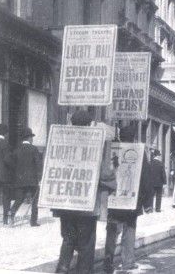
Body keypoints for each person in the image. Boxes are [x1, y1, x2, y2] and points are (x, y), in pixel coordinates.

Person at [53, 110, 117, 274]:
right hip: (86, 206)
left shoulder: (61, 140)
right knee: (86, 244)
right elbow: (105, 175)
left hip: (64, 203)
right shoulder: (94, 143)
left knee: (67, 239)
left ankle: (62, 269)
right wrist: (113, 174)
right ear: (89, 125)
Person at [103, 125, 153, 273]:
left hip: (113, 198)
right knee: (129, 230)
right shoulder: (139, 152)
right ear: (133, 138)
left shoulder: (111, 149)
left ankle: (108, 261)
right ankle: (127, 262)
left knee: (112, 231)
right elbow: (146, 178)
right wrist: (147, 203)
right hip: (132, 200)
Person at [7, 127, 42, 226]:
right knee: (35, 200)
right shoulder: (34, 149)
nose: (32, 139)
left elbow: (10, 162)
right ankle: (33, 221)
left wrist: (17, 171)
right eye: (31, 137)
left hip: (20, 179)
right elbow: (38, 164)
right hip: (32, 180)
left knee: (19, 199)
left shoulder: (17, 149)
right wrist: (39, 176)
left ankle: (12, 214)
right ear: (29, 138)